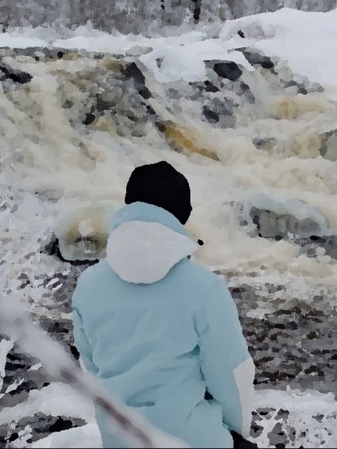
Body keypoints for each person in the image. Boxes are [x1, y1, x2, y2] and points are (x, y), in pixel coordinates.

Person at [71, 161, 258, 449]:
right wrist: (235, 436)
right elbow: (231, 373)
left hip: (121, 439)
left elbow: (93, 369)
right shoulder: (204, 287)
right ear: (180, 216)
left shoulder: (88, 285)